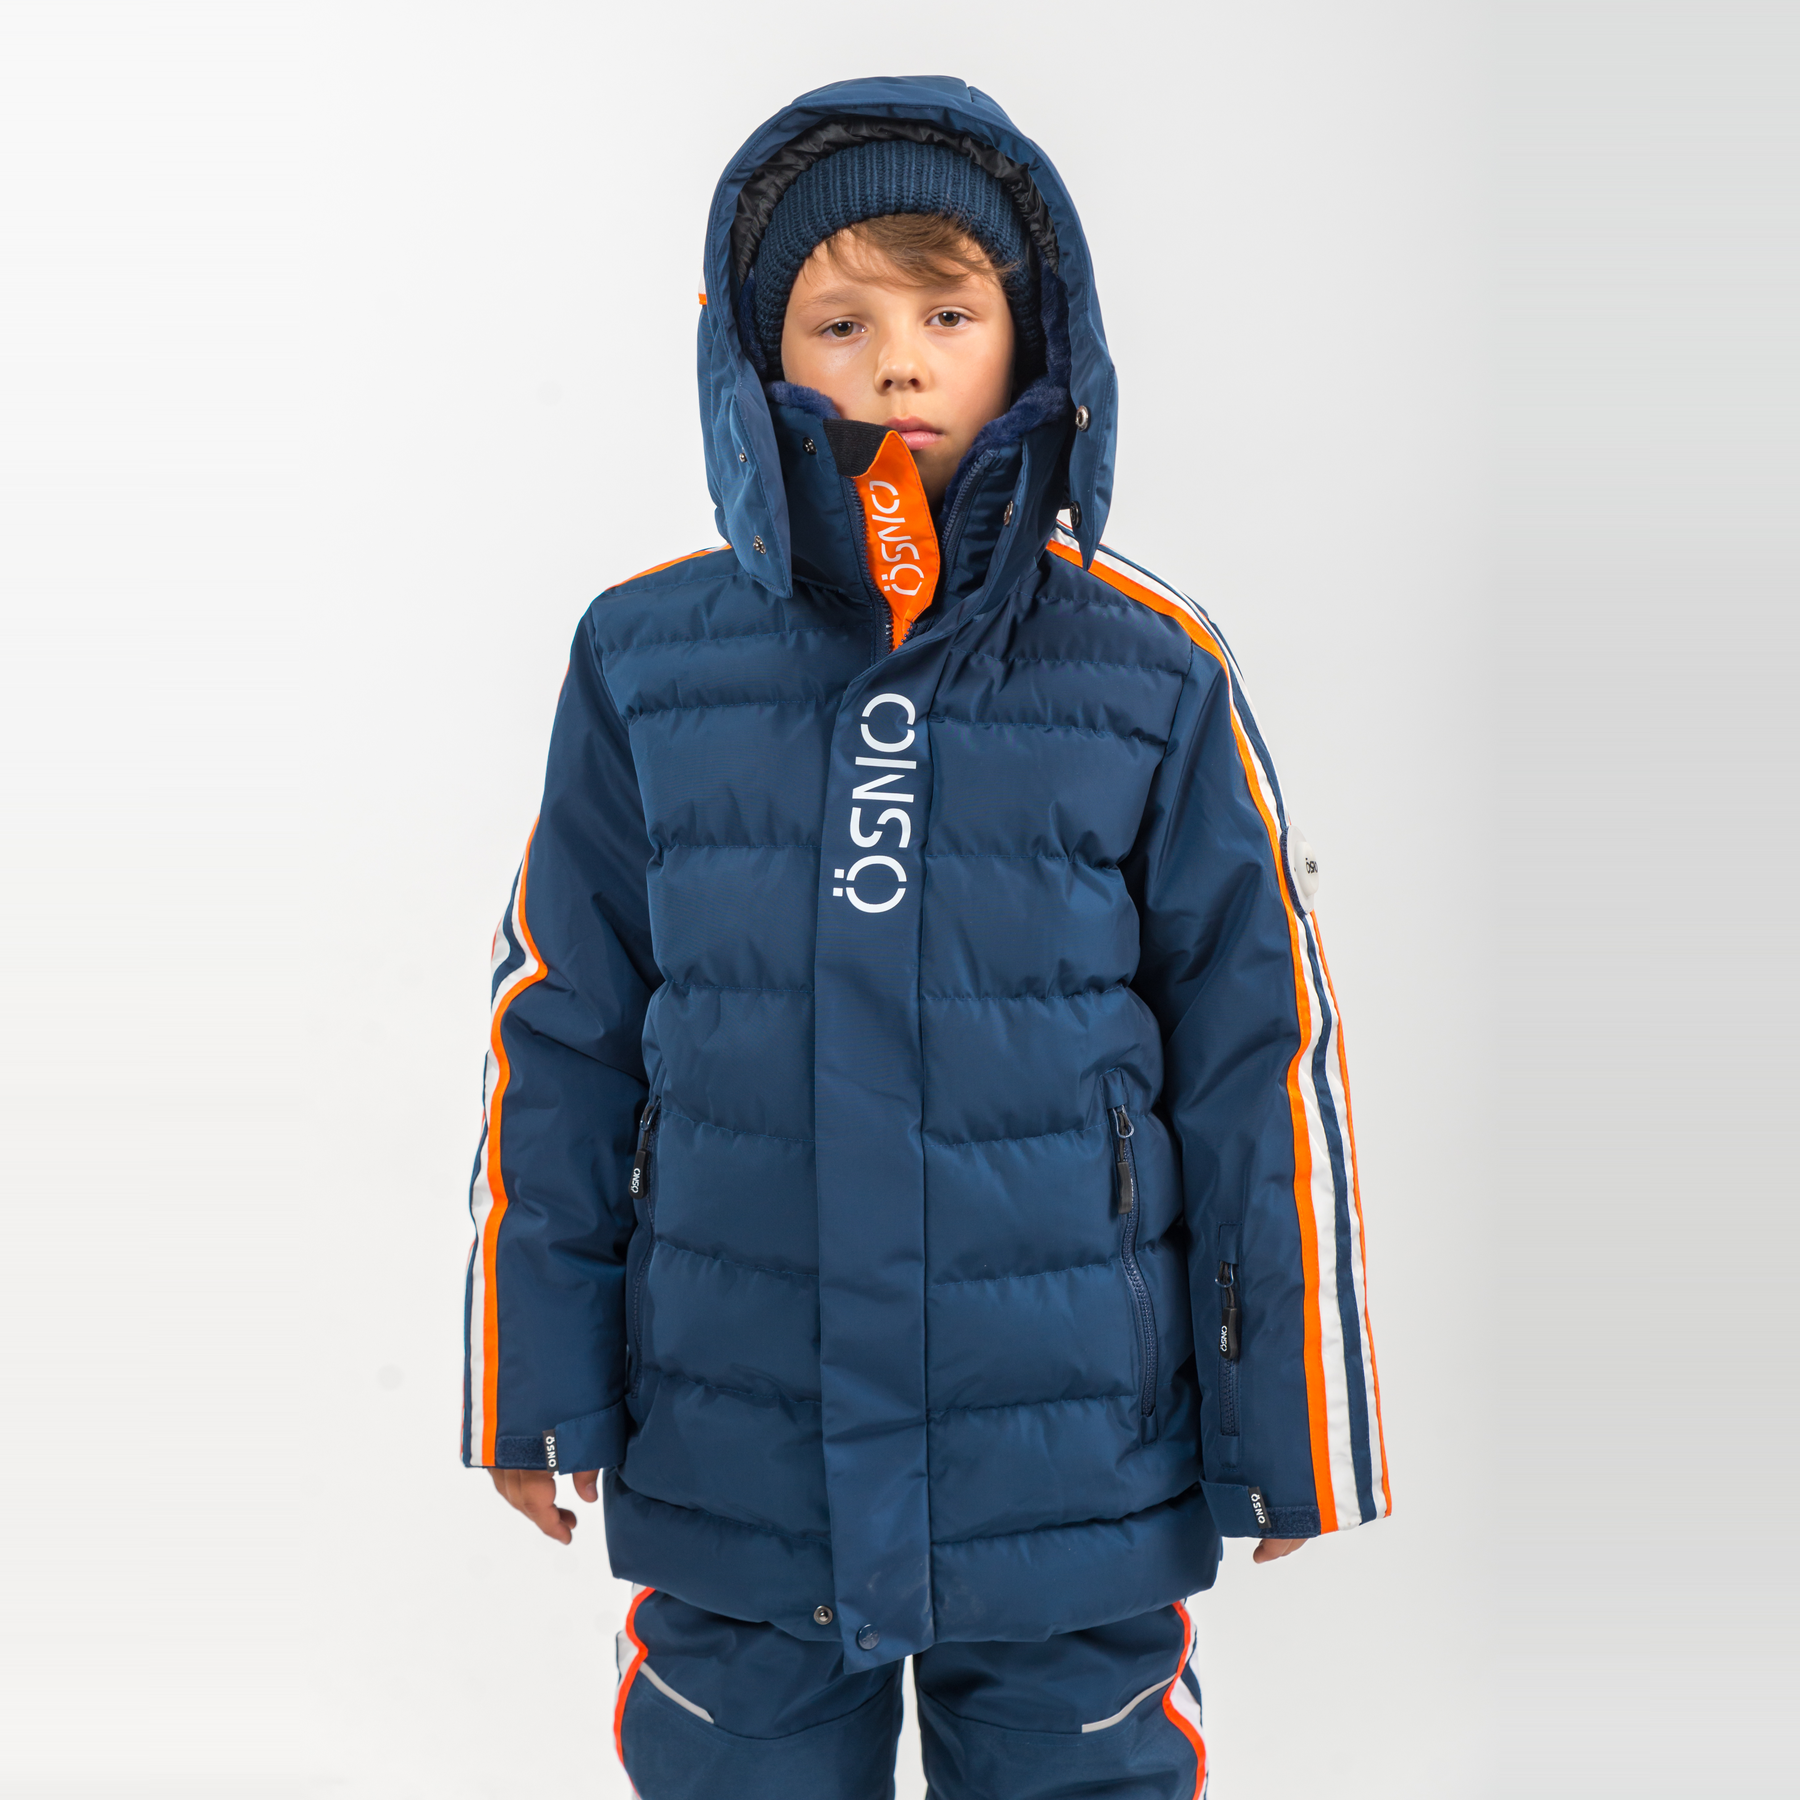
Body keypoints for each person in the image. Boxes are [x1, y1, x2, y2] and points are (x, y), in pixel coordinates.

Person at [463, 75, 1388, 1800]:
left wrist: (1298, 1419)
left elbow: (1263, 1053)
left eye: (947, 314)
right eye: (842, 322)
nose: (898, 366)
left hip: (1071, 1459)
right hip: (738, 1444)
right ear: (755, 360)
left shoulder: (1149, 672)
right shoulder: (646, 659)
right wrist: (533, 1377)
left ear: (1032, 336)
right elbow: (563, 1025)